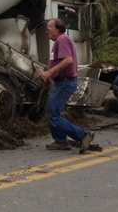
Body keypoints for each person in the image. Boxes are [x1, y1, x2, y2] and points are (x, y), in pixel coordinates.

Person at [39, 18, 95, 151]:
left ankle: (83, 135)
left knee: (53, 115)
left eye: (49, 28)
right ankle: (60, 141)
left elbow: (68, 60)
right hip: (61, 82)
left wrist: (48, 73)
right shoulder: (59, 41)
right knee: (53, 112)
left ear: (57, 29)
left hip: (65, 82)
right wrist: (48, 74)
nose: (47, 31)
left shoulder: (62, 39)